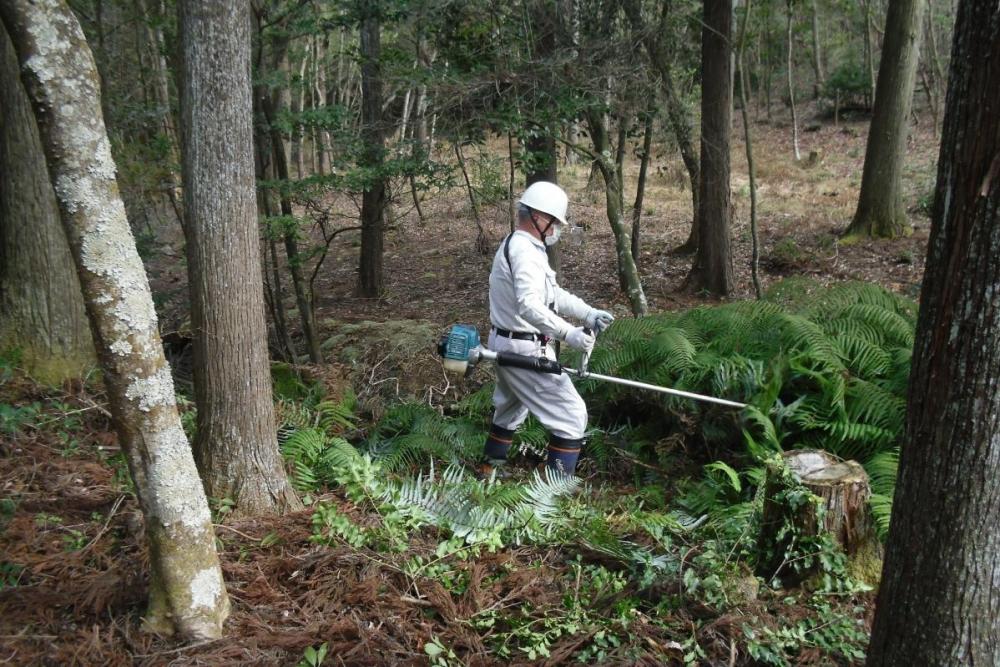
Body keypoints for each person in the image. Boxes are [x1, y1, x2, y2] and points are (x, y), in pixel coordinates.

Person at [482, 181, 614, 478]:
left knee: (510, 409)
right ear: (539, 218)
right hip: (523, 347)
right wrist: (569, 334)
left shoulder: (525, 247)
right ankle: (553, 489)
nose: (556, 229)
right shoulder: (524, 251)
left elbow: (552, 294)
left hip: (508, 342)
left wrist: (588, 313)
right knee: (571, 415)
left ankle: (489, 470)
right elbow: (529, 306)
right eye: (554, 222)